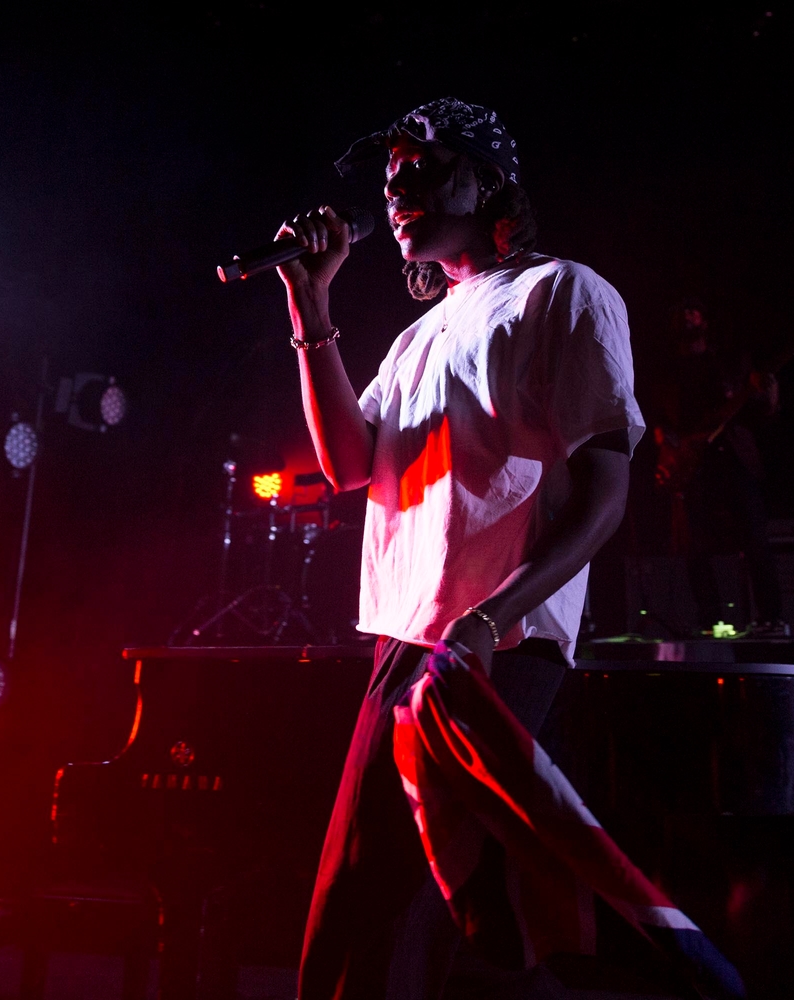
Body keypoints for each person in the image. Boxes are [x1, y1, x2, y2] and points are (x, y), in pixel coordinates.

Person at [275, 98, 644, 1000]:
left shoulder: (563, 292)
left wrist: (492, 619)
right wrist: (310, 303)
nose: (396, 188)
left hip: (494, 645)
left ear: (487, 181)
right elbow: (348, 464)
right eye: (390, 175)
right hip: (410, 641)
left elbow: (606, 495)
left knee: (382, 910)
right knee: (412, 917)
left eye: (424, 168)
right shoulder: (413, 339)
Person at [655, 299, 785, 636]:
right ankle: (709, 619)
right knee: (695, 547)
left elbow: (761, 413)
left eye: (693, 309)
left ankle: (772, 618)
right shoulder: (666, 372)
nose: (687, 315)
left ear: (705, 319)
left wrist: (769, 396)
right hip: (695, 466)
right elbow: (659, 422)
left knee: (755, 539)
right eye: (680, 310)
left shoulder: (730, 362)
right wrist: (671, 451)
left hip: (734, 460)